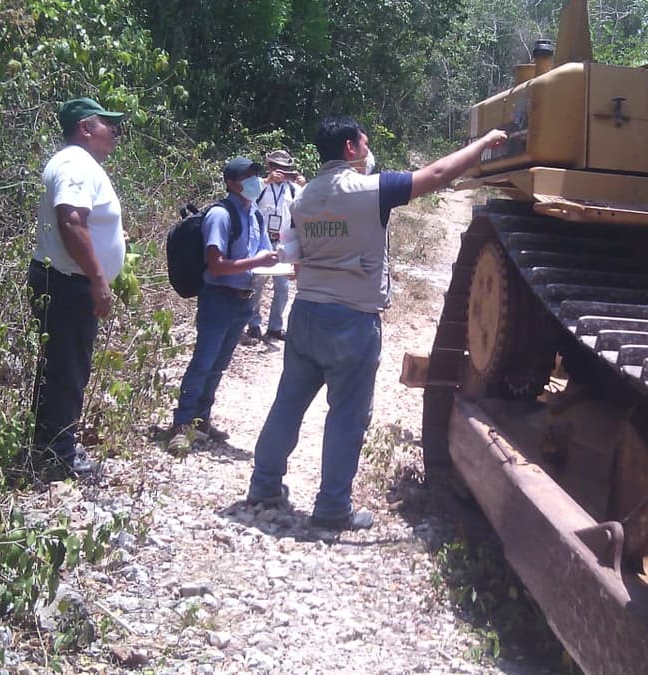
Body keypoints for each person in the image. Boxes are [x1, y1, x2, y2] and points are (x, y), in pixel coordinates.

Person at [245, 116, 507, 530]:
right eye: (364, 141)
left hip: (306, 313)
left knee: (288, 403)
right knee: (347, 415)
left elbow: (292, 258)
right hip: (351, 319)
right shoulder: (372, 190)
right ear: (350, 148)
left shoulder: (303, 197)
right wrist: (486, 142)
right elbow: (437, 174)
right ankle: (332, 508)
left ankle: (263, 486)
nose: (368, 147)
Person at [26, 97, 126, 482]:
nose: (113, 131)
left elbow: (82, 222)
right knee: (67, 370)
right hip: (69, 284)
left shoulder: (78, 164)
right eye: (107, 124)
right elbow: (71, 221)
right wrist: (99, 280)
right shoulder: (75, 164)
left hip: (64, 280)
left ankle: (50, 444)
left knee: (61, 367)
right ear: (85, 127)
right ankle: (59, 456)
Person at [167, 157, 279, 453]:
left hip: (243, 300)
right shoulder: (221, 215)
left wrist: (282, 264)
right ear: (231, 183)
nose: (254, 181)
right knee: (203, 363)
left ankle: (201, 419)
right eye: (247, 176)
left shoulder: (254, 214)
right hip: (218, 299)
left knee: (218, 366)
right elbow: (216, 265)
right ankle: (181, 424)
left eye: (256, 175)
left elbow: (264, 252)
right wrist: (258, 262)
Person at [243, 149, 303, 343]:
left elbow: (309, 206)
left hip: (284, 242)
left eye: (284, 168)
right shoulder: (260, 185)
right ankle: (253, 324)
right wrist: (266, 180)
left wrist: (304, 185)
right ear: (269, 167)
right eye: (276, 167)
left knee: (283, 287)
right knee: (257, 283)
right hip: (262, 241)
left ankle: (275, 327)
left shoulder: (293, 189)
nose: (280, 172)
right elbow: (245, 196)